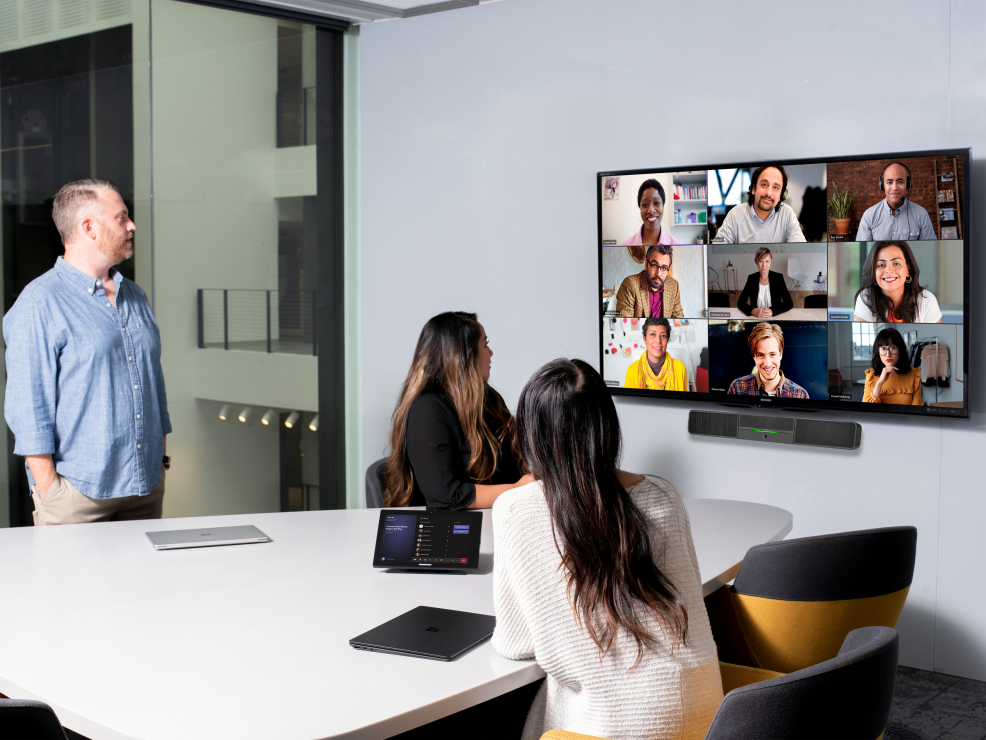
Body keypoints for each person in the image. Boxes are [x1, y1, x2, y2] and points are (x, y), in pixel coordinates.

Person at [492, 359, 722, 740]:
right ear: (607, 427)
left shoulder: (515, 508)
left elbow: (515, 643)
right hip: (709, 716)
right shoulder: (664, 495)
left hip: (615, 729)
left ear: (532, 434)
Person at [3, 180, 170, 526]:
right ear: (89, 228)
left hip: (145, 487)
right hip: (77, 496)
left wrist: (159, 465)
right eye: (121, 218)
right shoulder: (39, 303)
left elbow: (154, 386)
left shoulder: (135, 296)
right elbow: (29, 409)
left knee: (146, 583)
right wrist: (51, 492)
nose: (132, 225)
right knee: (71, 583)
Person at [384, 311, 530, 509]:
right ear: (463, 357)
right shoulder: (428, 411)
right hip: (451, 532)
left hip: (499, 519)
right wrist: (518, 490)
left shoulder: (489, 400)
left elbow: (514, 461)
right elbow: (448, 496)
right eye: (485, 344)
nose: (491, 353)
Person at [711, 165, 806, 244]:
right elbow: (717, 245)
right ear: (753, 188)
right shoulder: (736, 214)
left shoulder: (787, 214)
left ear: (780, 195)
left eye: (776, 187)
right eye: (764, 184)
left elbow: (800, 249)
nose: (769, 193)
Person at [853, 240, 941, 323]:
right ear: (873, 272)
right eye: (881, 265)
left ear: (908, 270)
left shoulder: (927, 299)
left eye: (896, 264)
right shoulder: (866, 298)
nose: (888, 270)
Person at [856, 162, 935, 241]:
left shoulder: (921, 214)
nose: (894, 188)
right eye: (889, 182)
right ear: (882, 185)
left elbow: (929, 249)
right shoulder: (869, 216)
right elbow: (863, 252)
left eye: (900, 182)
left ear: (907, 185)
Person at [727, 322, 809, 398]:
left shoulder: (800, 395)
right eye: (760, 355)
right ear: (754, 356)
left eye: (772, 354)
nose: (767, 363)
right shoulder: (737, 388)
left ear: (780, 354)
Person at [615, 244, 684, 318]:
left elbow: (678, 319)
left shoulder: (674, 286)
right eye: (654, 265)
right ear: (646, 264)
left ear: (668, 269)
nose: (658, 274)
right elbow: (625, 323)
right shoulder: (630, 284)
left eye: (664, 268)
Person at [624, 317, 688, 391]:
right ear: (644, 339)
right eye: (652, 334)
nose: (658, 341)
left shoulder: (679, 367)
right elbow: (629, 402)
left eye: (663, 335)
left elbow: (683, 401)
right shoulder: (631, 371)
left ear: (667, 340)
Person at [863, 328, 923, 405]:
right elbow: (867, 411)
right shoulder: (871, 376)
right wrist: (879, 383)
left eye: (892, 348)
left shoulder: (914, 374)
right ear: (878, 352)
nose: (888, 354)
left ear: (900, 350)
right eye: (883, 349)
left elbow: (916, 409)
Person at [736, 246, 793, 318]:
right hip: (756, 318)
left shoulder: (778, 278)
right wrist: (753, 311)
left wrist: (772, 311)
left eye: (767, 261)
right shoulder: (751, 279)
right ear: (756, 262)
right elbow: (740, 302)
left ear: (771, 262)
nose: (764, 265)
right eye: (761, 261)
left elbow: (789, 303)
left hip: (774, 317)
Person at [623, 178, 680, 247]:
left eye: (656, 203)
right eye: (645, 204)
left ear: (663, 206)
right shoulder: (626, 245)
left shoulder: (676, 245)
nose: (651, 210)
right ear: (640, 208)